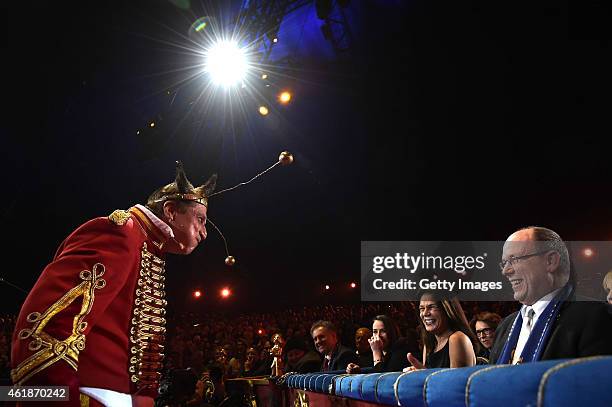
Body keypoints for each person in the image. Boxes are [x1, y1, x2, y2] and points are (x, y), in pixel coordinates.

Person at [10, 162, 216, 407]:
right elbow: (46, 327)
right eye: (200, 220)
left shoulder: (148, 245)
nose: (204, 232)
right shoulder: (123, 232)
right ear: (170, 211)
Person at [489, 226, 612, 364]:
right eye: (504, 263)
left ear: (551, 261)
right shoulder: (505, 326)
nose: (506, 271)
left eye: (514, 259)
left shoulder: (596, 316)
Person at [404, 292, 477, 371]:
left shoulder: (457, 338)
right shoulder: (429, 343)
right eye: (422, 309)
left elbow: (456, 382)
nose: (425, 313)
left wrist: (425, 374)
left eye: (431, 307)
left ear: (446, 310)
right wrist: (418, 373)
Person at [346, 315, 415, 373]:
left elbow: (382, 378)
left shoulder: (400, 350)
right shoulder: (378, 351)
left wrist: (376, 352)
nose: (378, 335)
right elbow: (376, 368)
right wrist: (359, 370)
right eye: (375, 331)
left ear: (391, 332)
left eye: (383, 331)